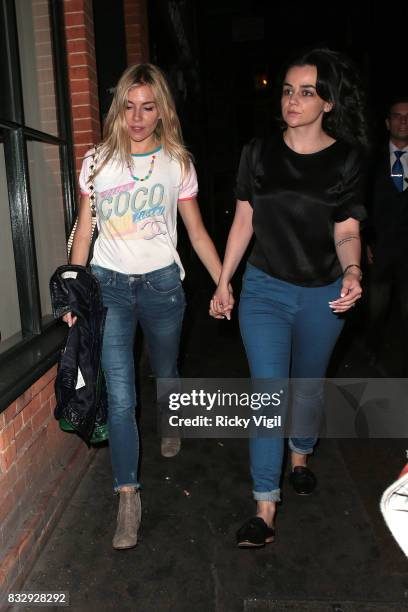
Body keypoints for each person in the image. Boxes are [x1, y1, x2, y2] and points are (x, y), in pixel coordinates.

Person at [64, 63, 231, 550]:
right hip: (108, 286)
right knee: (120, 394)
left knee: (165, 367)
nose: (137, 117)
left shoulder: (177, 161)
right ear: (119, 108)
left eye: (148, 107)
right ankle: (128, 495)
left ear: (161, 111)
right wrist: (75, 292)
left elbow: (197, 232)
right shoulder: (96, 162)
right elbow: (84, 231)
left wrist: (223, 281)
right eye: (129, 106)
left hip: (162, 286)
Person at [210, 48, 368, 548]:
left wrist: (353, 270)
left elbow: (346, 225)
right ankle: (264, 504)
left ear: (327, 103)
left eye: (306, 92)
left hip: (323, 292)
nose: (292, 100)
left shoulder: (347, 158)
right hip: (265, 290)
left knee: (307, 383)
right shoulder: (257, 153)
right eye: (287, 90)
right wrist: (223, 279)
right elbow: (243, 220)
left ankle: (301, 450)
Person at [365, 97, 408, 374]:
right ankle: (372, 353)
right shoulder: (370, 161)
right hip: (379, 250)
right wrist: (365, 240)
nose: (403, 121)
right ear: (387, 122)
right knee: (375, 310)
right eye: (397, 115)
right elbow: (360, 203)